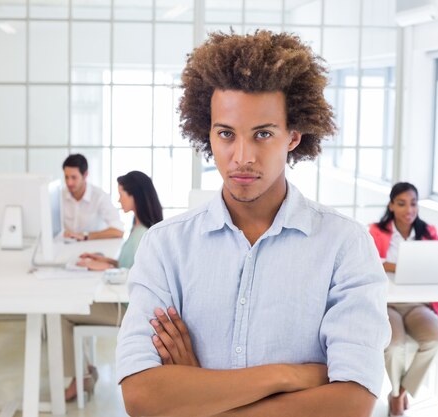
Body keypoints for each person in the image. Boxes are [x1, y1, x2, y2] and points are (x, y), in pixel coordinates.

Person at [116, 30, 391, 417]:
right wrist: (285, 376)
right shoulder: (166, 246)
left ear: (293, 136)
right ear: (207, 134)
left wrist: (198, 395)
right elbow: (142, 396)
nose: (241, 157)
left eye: (263, 134)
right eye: (226, 134)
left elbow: (352, 402)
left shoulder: (344, 245)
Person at [62, 170, 163, 402]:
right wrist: (106, 261)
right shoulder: (138, 227)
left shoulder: (144, 234)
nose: (118, 201)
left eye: (121, 195)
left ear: (134, 196)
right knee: (73, 307)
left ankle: (81, 377)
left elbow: (139, 276)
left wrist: (106, 270)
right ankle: (84, 372)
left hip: (128, 312)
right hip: (123, 305)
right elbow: (130, 264)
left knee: (65, 313)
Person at [368, 182, 438, 417]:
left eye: (413, 203)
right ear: (391, 205)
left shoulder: (427, 232)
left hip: (417, 304)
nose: (408, 209)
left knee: (435, 340)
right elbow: (369, 261)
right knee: (394, 346)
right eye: (401, 203)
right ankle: (395, 393)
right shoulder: (375, 231)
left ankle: (399, 392)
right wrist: (397, 266)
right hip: (387, 303)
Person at [61, 153, 124, 241]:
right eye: (66, 177)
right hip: (66, 248)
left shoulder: (100, 197)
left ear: (85, 175)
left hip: (94, 250)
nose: (69, 183)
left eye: (74, 177)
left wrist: (86, 236)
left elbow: (119, 231)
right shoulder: (60, 196)